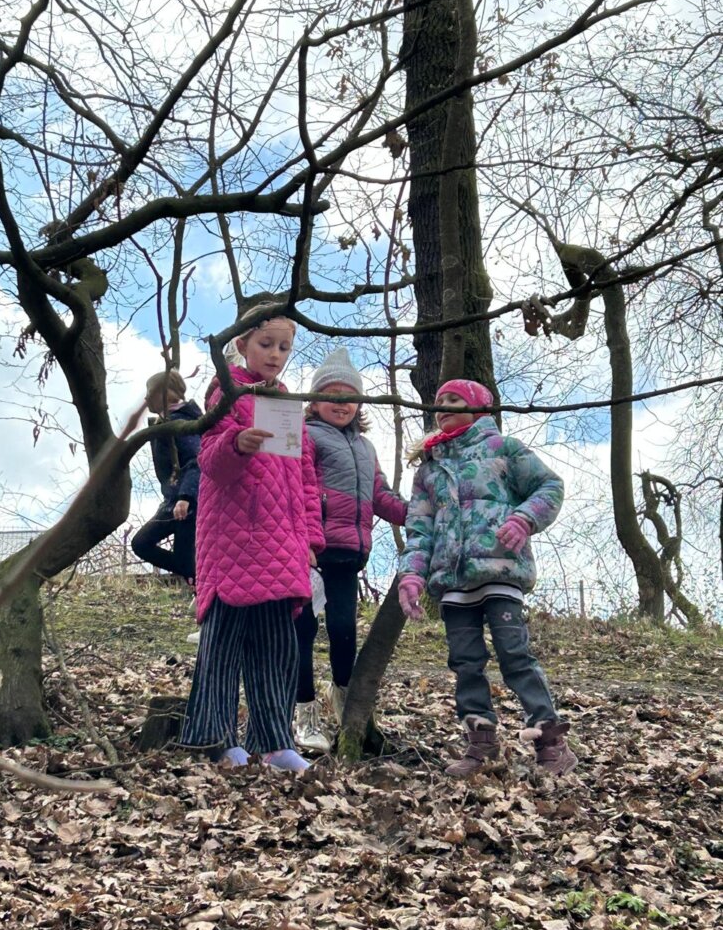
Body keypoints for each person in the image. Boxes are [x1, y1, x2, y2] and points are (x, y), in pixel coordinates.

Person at [397, 378, 577, 777]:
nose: (444, 406)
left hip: (501, 573)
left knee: (515, 655)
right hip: (452, 583)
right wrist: (411, 575)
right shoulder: (429, 468)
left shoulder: (503, 448)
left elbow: (549, 485)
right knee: (465, 663)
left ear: (477, 408)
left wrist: (524, 518)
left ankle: (551, 743)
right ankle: (482, 746)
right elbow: (420, 528)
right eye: (439, 400)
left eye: (454, 399)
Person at [180, 307, 325, 772]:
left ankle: (275, 743)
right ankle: (216, 738)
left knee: (277, 646)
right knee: (223, 643)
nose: (276, 355)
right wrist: (236, 444)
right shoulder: (225, 392)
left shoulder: (287, 405)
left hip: (283, 544)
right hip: (234, 540)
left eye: (284, 347)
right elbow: (209, 461)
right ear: (241, 345)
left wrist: (311, 539)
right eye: (266, 344)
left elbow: (305, 477)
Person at [293, 348, 407, 753]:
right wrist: (304, 540)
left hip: (347, 554)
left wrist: (415, 515)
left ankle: (345, 703)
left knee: (344, 630)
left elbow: (380, 496)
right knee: (303, 631)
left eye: (349, 397)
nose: (341, 404)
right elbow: (298, 490)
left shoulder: (366, 447)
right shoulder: (305, 435)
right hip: (310, 552)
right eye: (332, 396)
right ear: (314, 401)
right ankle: (304, 712)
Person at [131, 370, 202, 586]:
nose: (146, 398)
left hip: (187, 504)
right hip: (172, 502)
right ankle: (199, 576)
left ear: (167, 393)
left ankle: (200, 579)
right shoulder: (164, 423)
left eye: (150, 392)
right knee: (143, 544)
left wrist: (185, 497)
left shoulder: (181, 423)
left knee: (181, 561)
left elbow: (196, 460)